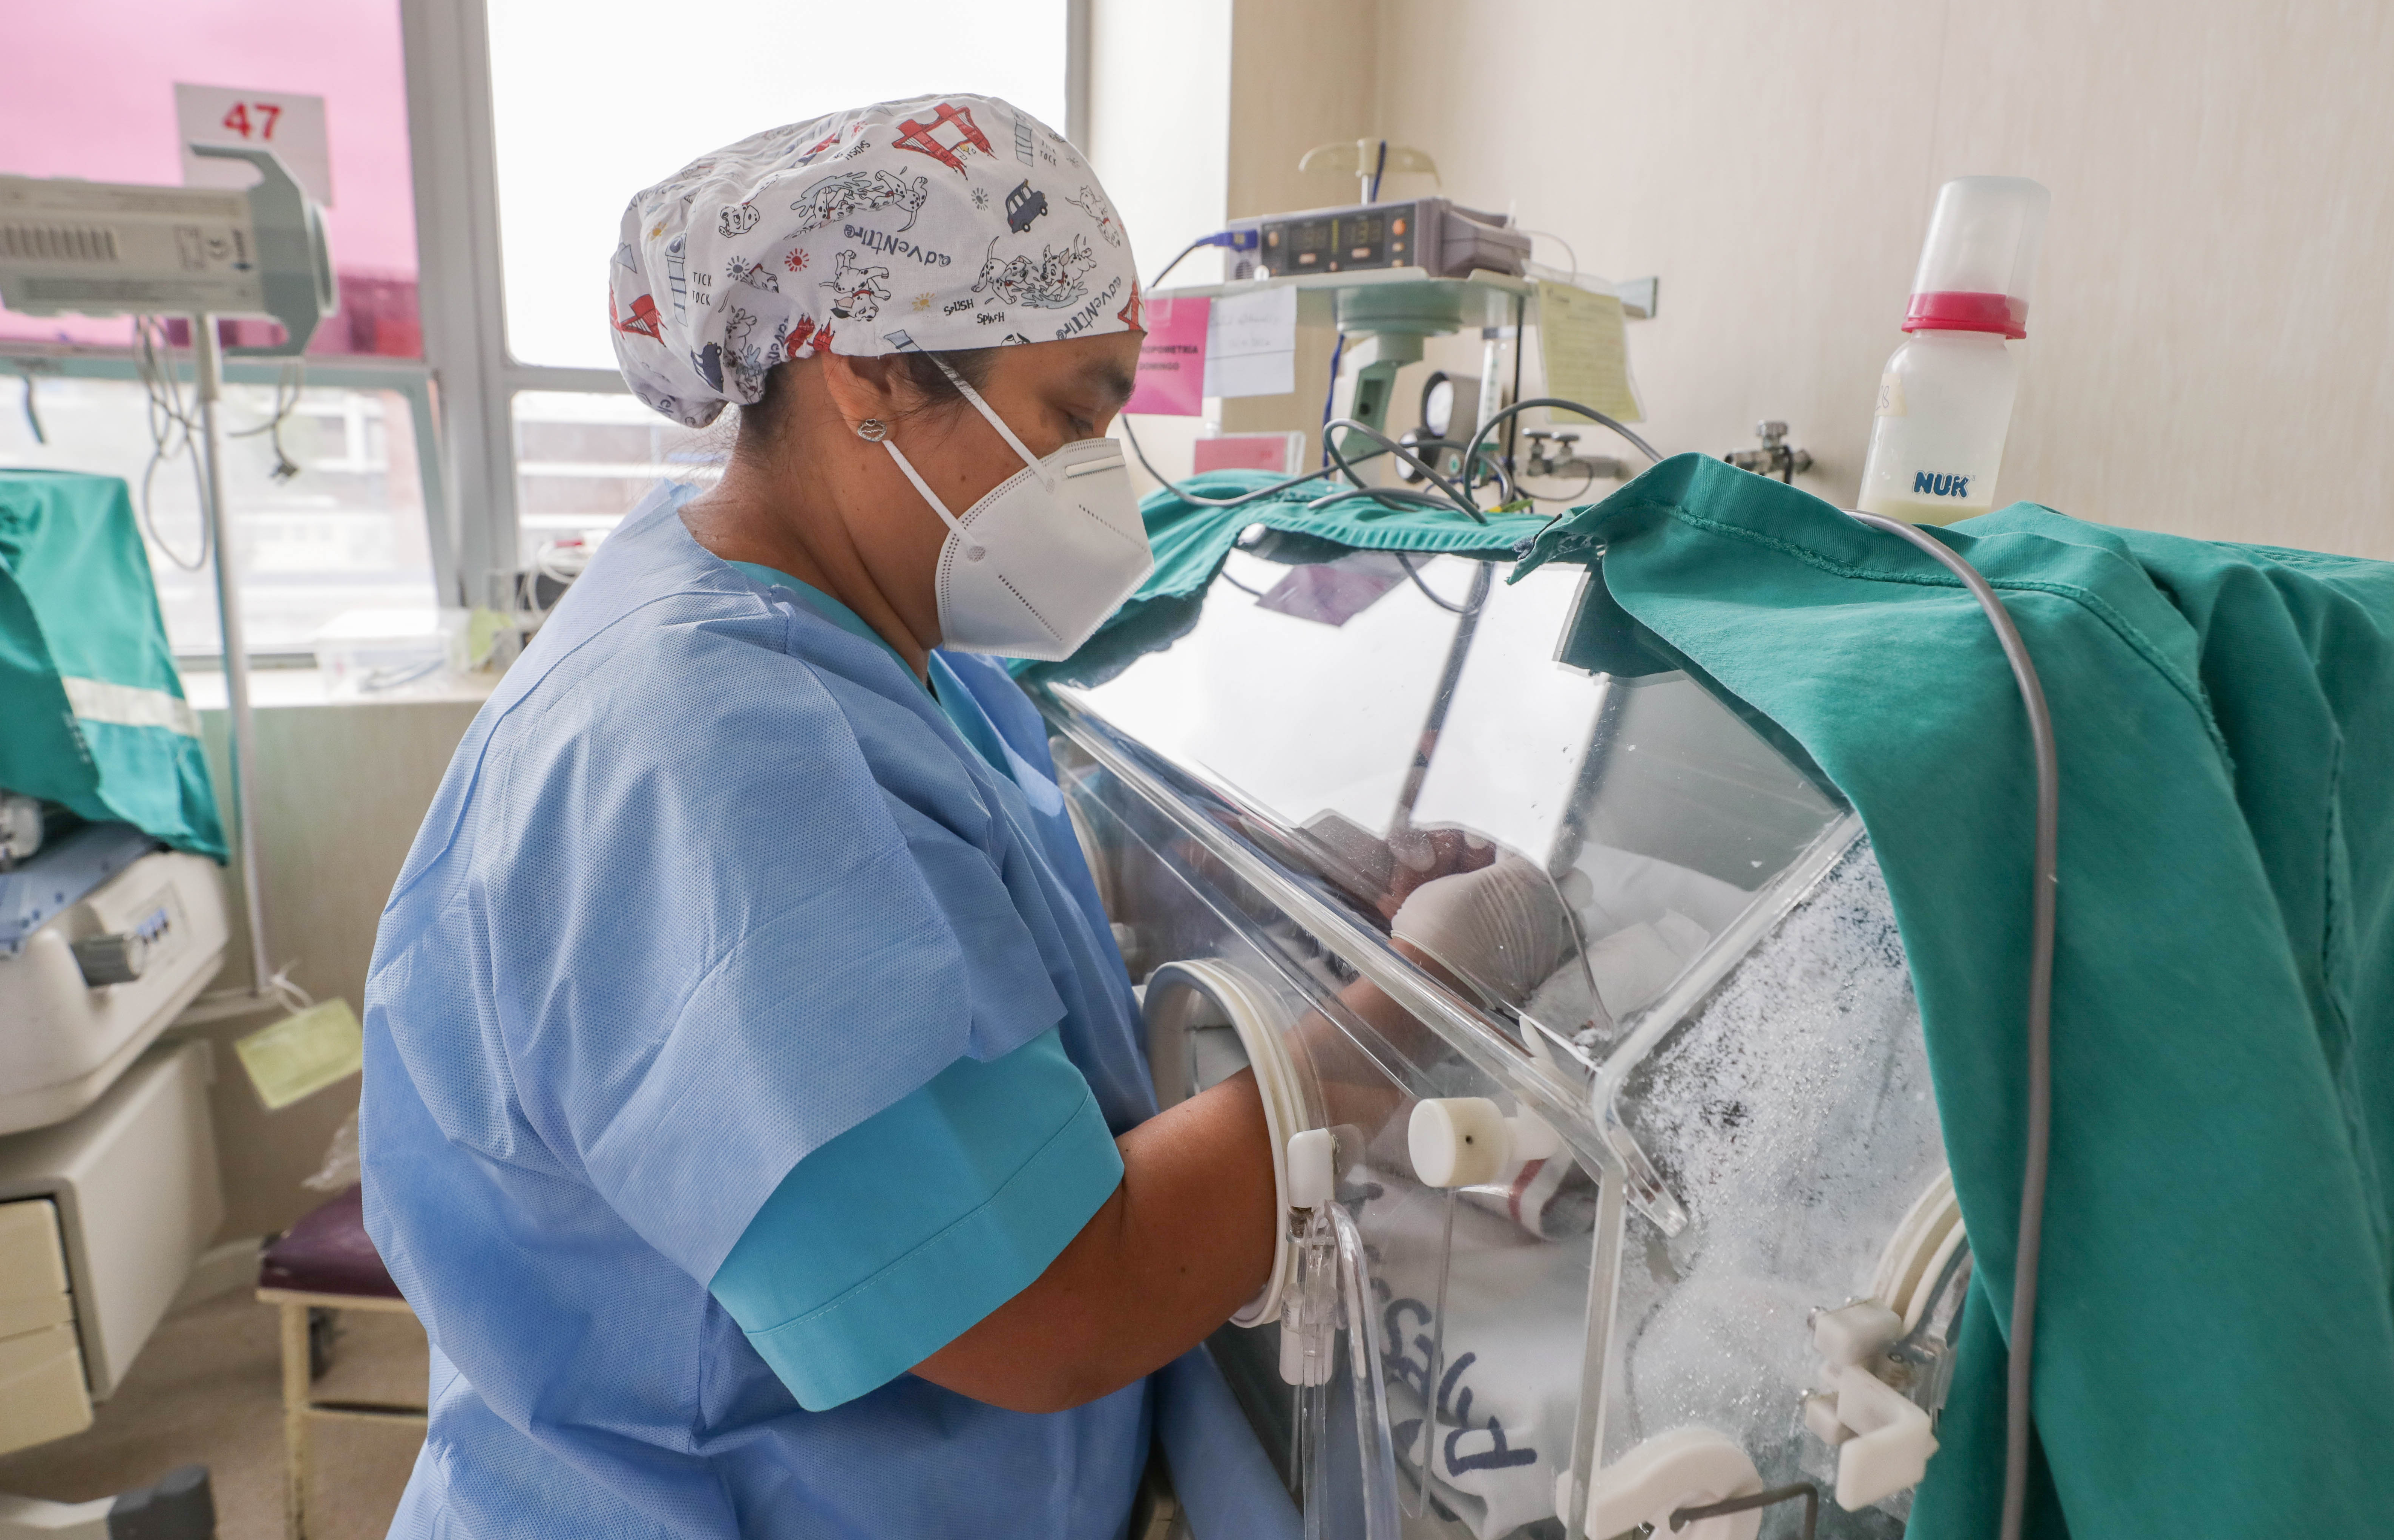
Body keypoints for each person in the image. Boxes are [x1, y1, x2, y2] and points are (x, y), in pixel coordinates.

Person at [360, 94, 1544, 1540]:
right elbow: (1055, 1306)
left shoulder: (878, 646)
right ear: (870, 370)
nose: (1104, 479)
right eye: (1074, 415)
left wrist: (1266, 887)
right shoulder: (715, 749)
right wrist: (1405, 1012)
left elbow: (966, 905)